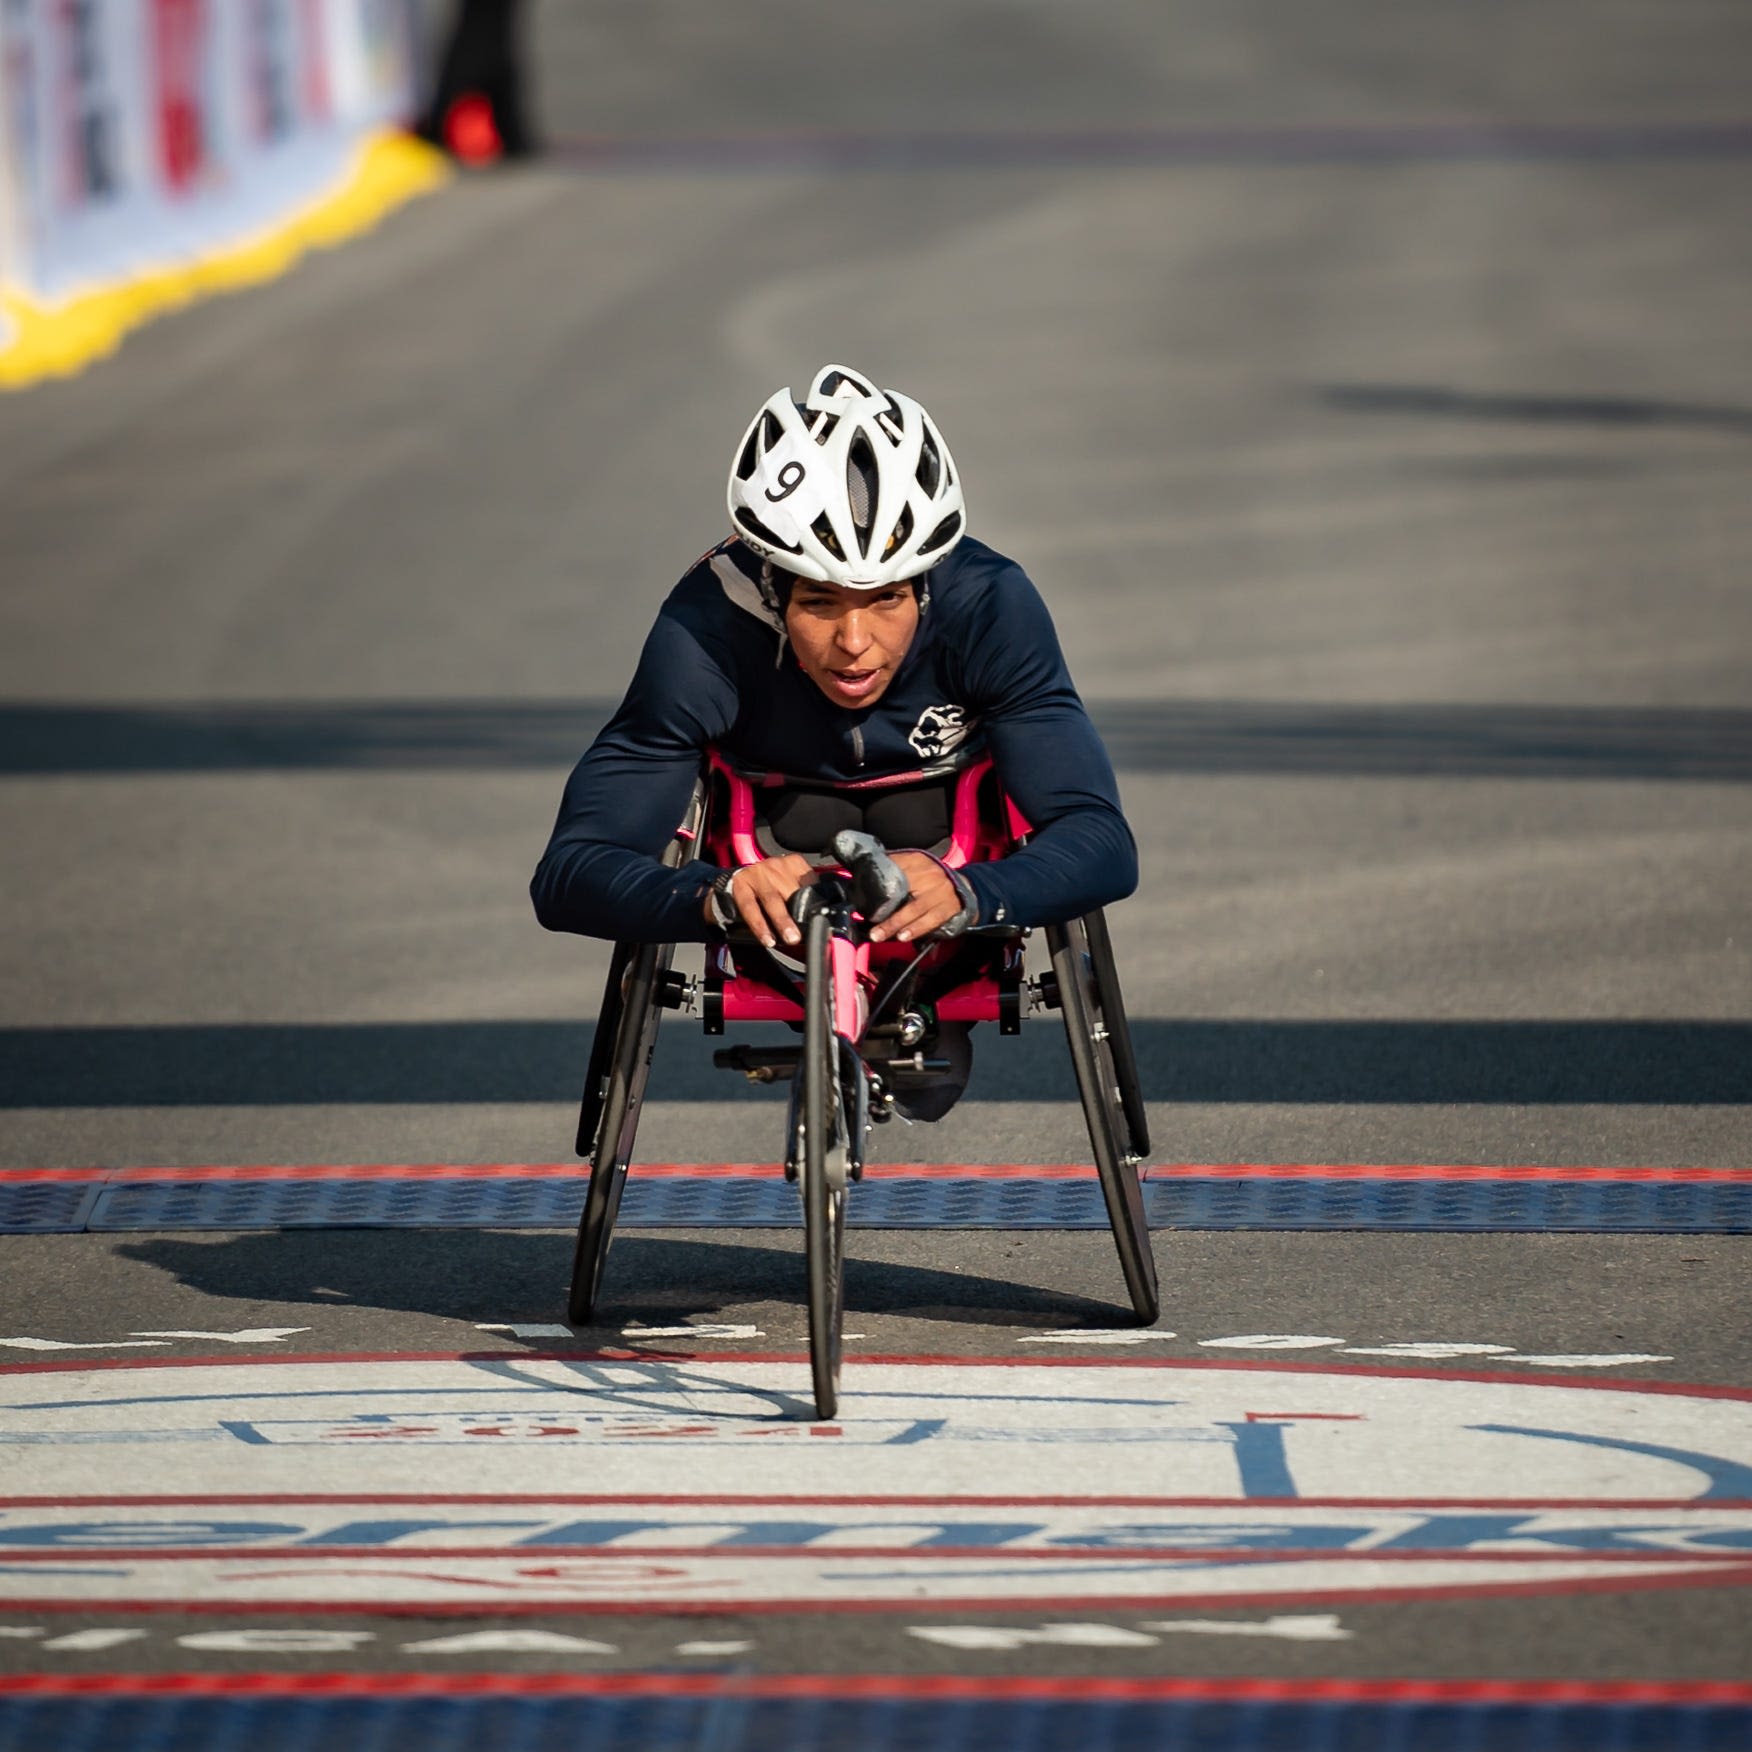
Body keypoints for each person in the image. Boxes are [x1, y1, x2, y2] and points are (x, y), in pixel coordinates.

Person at [532, 364, 1137, 1117]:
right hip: (774, 894)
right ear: (772, 588)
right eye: (818, 602)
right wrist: (715, 895)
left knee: (932, 1079)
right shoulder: (707, 630)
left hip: (946, 886)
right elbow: (569, 873)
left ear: (925, 584)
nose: (854, 642)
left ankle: (910, 1000)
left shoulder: (989, 603)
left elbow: (1101, 839)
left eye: (885, 600)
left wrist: (974, 891)